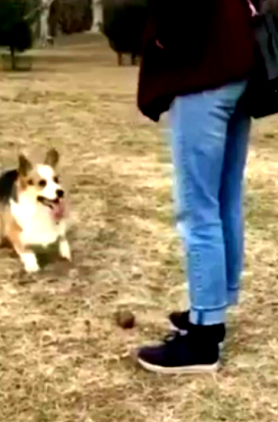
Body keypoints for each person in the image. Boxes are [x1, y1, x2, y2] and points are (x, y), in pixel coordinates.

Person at [135, 0, 258, 373]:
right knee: (223, 199)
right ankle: (212, 310)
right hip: (239, 61)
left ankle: (205, 337)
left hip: (205, 65)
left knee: (199, 207)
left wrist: (162, 37)